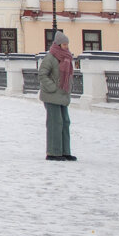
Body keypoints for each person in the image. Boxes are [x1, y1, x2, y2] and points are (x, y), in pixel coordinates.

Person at [39, 31, 76, 162]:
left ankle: (65, 151)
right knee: (55, 122)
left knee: (65, 122)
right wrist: (52, 87)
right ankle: (53, 152)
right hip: (52, 95)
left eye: (67, 44)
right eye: (64, 44)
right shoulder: (50, 57)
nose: (66, 47)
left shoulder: (67, 57)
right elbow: (42, 74)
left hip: (62, 95)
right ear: (58, 44)